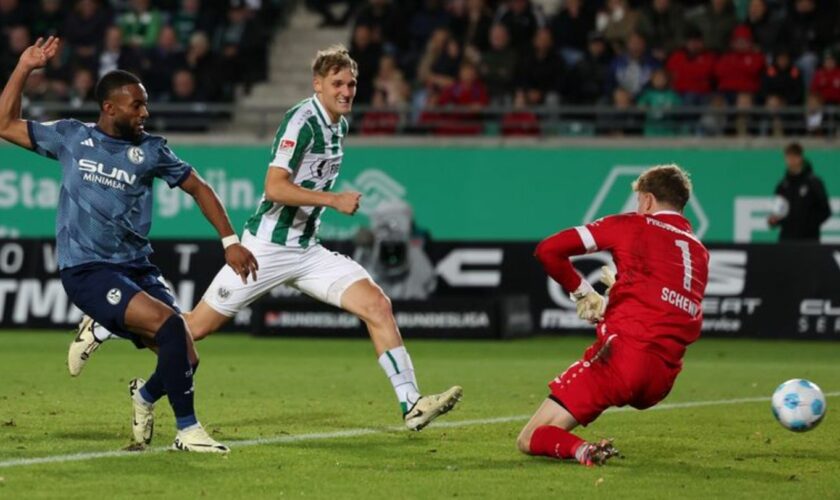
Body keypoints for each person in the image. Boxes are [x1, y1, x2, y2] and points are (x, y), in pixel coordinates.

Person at [70, 45, 462, 433]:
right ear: (318, 85)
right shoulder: (302, 121)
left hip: (307, 251)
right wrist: (333, 199)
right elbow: (274, 188)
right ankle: (105, 328)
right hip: (265, 249)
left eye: (352, 84)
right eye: (338, 83)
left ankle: (410, 403)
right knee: (190, 331)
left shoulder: (338, 124)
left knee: (377, 304)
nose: (346, 91)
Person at [0, 37, 259, 453]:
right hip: (87, 269)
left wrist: (230, 240)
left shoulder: (152, 150)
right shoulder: (70, 137)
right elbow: (4, 123)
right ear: (110, 108)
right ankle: (188, 431)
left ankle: (141, 393)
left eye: (145, 104)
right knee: (172, 325)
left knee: (185, 357)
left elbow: (199, 187)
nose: (145, 112)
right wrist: (24, 68)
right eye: (136, 105)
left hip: (137, 267)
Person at [517, 164, 709, 466]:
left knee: (530, 437)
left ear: (646, 200)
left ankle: (583, 450)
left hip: (623, 362)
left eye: (638, 202)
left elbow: (549, 250)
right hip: (662, 378)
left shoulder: (634, 225)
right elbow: (667, 307)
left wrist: (583, 290)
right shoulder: (699, 252)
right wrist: (621, 293)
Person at [768, 142, 831, 241]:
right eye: (788, 157)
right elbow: (778, 211)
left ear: (800, 158)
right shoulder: (783, 185)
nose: (790, 161)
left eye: (794, 157)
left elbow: (825, 211)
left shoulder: (813, 183)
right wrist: (773, 221)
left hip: (809, 241)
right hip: (786, 240)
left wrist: (809, 227)